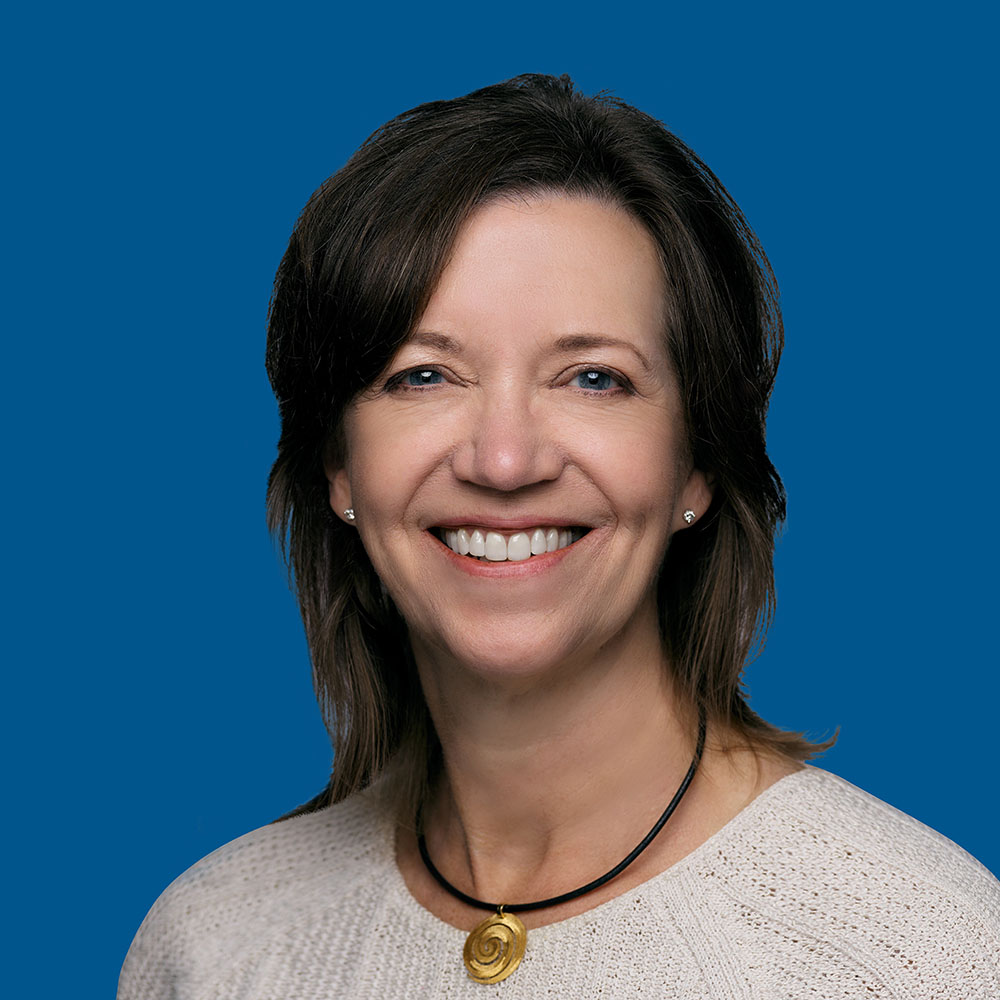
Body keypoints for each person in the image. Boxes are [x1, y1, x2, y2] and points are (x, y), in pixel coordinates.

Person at [118, 74, 1000, 998]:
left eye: (592, 378)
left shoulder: (917, 955)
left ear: (696, 462)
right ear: (338, 465)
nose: (505, 460)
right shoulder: (210, 948)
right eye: (423, 376)